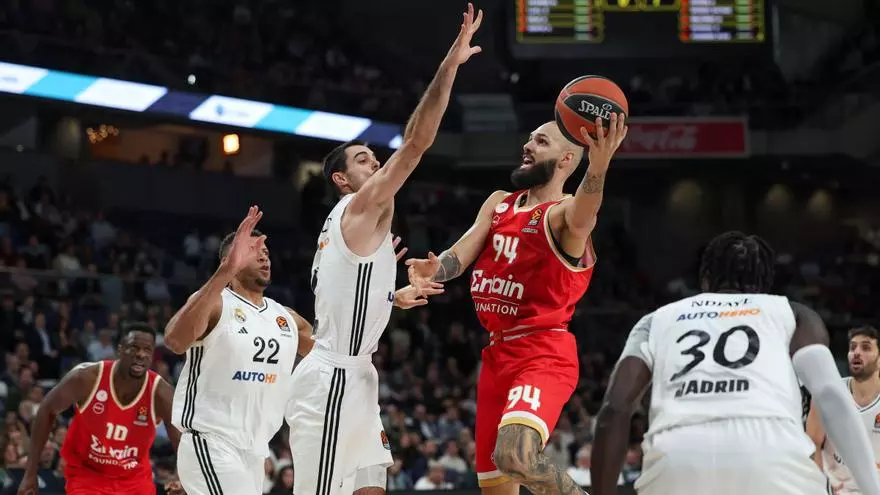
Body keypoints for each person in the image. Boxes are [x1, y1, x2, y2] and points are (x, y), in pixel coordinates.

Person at [285, 4, 482, 495]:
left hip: (358, 375)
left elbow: (338, 297)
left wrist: (391, 297)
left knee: (372, 490)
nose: (375, 164)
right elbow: (416, 142)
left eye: (375, 158)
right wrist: (449, 66)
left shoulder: (347, 231)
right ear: (340, 179)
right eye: (363, 160)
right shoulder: (358, 206)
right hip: (332, 379)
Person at [406, 112, 627, 494]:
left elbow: (584, 215)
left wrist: (600, 165)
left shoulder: (562, 215)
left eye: (541, 141)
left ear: (566, 161)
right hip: (496, 357)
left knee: (517, 456)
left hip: (543, 351)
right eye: (530, 137)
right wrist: (434, 269)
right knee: (495, 487)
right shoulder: (499, 203)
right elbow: (460, 255)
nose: (528, 145)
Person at [590, 232, 880, 495]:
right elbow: (831, 396)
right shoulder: (793, 314)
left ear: (704, 280)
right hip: (772, 456)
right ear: (765, 287)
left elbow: (615, 408)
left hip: (677, 458)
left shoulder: (656, 319)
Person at [163, 207, 312, 495]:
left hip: (255, 451)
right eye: (253, 249)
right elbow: (175, 340)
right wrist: (225, 272)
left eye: (265, 250)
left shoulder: (286, 318)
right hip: (211, 441)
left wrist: (384, 300)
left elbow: (334, 351)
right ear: (228, 260)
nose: (263, 255)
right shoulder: (215, 303)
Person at [18, 322, 177, 495]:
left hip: (134, 479)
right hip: (88, 474)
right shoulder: (87, 378)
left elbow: (183, 437)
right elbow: (46, 410)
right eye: (133, 347)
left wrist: (180, 476)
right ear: (119, 350)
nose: (141, 354)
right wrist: (30, 472)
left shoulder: (160, 393)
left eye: (147, 350)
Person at [807, 325, 880, 494]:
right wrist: (819, 485)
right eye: (852, 347)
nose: (856, 352)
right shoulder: (827, 393)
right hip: (836, 488)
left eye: (866, 347)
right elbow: (813, 443)